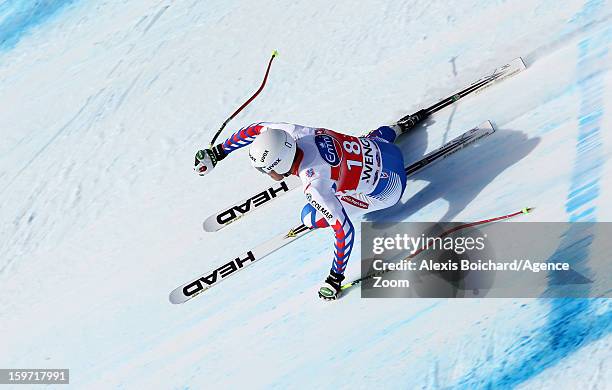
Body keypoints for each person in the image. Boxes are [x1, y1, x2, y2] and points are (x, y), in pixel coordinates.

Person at [194, 122, 408, 300]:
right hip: (384, 148)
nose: (265, 174)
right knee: (357, 149)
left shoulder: (315, 185)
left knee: (309, 216)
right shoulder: (297, 133)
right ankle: (397, 128)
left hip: (389, 191)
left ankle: (356, 182)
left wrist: (335, 277)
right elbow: (257, 129)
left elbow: (344, 230)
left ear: (279, 165)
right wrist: (218, 152)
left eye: (265, 170)